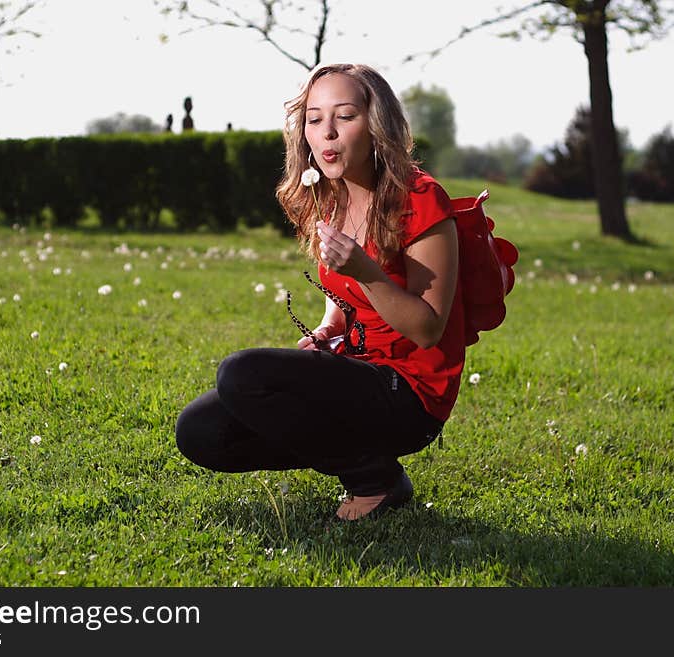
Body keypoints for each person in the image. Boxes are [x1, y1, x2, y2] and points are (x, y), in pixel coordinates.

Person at [175, 63, 465, 521]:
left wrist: (368, 272)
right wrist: (330, 326)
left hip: (409, 392)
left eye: (344, 117)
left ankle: (374, 478)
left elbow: (428, 328)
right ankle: (360, 459)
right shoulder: (327, 197)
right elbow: (341, 292)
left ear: (375, 124)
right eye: (314, 118)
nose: (327, 132)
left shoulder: (421, 199)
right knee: (200, 431)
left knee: (240, 372)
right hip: (354, 367)